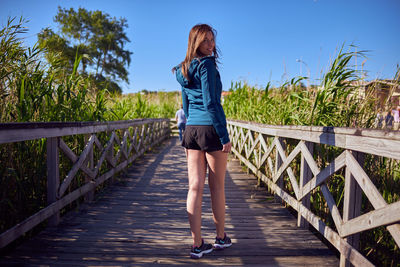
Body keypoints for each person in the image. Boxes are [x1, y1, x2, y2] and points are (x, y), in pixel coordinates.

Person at [172, 23, 232, 259]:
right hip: (210, 129)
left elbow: (186, 105)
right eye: (205, 40)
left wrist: (188, 128)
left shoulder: (184, 68)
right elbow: (211, 102)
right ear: (195, 43)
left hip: (192, 129)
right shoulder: (206, 64)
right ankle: (220, 238)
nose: (211, 44)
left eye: (212, 39)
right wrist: (224, 136)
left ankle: (197, 244)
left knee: (194, 187)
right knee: (217, 187)